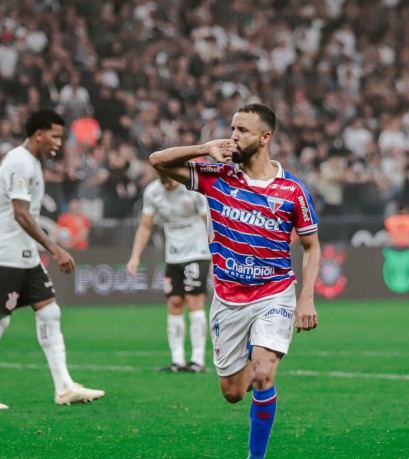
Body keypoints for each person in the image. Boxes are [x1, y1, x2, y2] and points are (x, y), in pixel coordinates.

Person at [150, 103, 320, 459]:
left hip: (275, 293)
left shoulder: (293, 191)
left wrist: (306, 298)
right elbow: (158, 161)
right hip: (228, 298)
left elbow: (311, 246)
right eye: (232, 128)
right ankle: (248, 346)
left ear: (265, 137)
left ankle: (254, 457)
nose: (233, 136)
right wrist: (203, 148)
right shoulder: (217, 176)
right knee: (232, 393)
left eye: (242, 130)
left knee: (263, 373)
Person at [0, 109, 104, 409]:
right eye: (55, 136)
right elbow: (21, 213)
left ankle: (64, 386)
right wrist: (55, 248)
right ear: (38, 134)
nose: (58, 143)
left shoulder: (32, 163)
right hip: (2, 255)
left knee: (50, 312)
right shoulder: (19, 162)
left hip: (24, 256)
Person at [126, 172, 211, 373]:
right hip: (173, 256)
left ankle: (197, 360)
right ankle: (177, 360)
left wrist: (219, 251)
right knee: (174, 302)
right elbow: (146, 225)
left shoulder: (193, 189)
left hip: (197, 252)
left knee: (194, 300)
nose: (166, 183)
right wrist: (135, 256)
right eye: (162, 179)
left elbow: (209, 221)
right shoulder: (153, 191)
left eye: (169, 178)